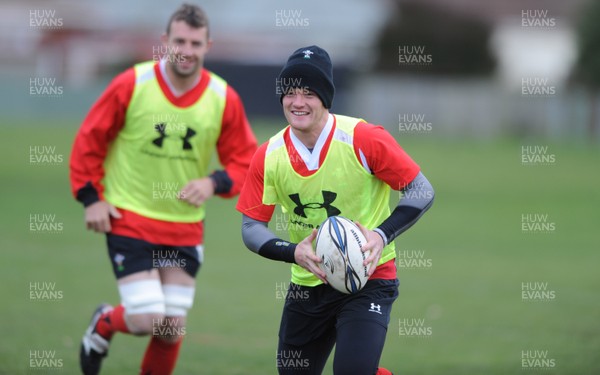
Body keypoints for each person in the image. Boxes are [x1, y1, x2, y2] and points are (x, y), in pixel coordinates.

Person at [69, 4, 257, 374]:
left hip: (184, 229)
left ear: (208, 46)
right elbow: (91, 139)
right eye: (180, 41)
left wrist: (214, 181)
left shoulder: (222, 97)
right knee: (146, 319)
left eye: (195, 43)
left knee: (171, 330)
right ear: (165, 41)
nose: (186, 50)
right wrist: (91, 197)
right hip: (130, 219)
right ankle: (105, 322)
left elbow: (247, 161)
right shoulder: (132, 84)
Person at [236, 45, 434, 375]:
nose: (297, 102)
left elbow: (421, 190)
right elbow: (250, 227)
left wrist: (381, 235)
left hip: (368, 278)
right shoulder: (269, 155)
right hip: (308, 286)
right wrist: (292, 252)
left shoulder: (364, 138)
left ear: (326, 97)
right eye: (290, 92)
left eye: (309, 93)